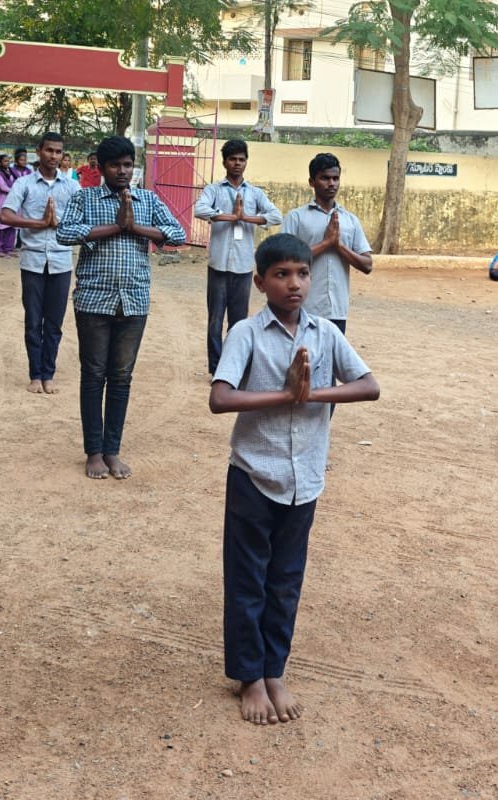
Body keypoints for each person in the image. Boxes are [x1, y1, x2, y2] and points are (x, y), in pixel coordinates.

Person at [209, 233, 379, 725]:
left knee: (285, 581)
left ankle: (275, 669)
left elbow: (369, 386)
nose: (294, 284)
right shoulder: (247, 333)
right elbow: (220, 398)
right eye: (281, 274)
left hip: (305, 478)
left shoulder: (325, 333)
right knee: (248, 581)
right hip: (254, 474)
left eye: (302, 273)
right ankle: (250, 677)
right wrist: (286, 396)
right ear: (260, 281)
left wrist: (315, 392)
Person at [56, 135, 186, 480]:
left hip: (134, 301)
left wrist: (135, 227)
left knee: (121, 378)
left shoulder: (147, 199)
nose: (123, 171)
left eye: (128, 165)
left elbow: (178, 233)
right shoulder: (85, 197)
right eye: (116, 165)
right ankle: (93, 452)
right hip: (93, 301)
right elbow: (64, 233)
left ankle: (112, 450)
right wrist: (115, 227)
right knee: (93, 375)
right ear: (100, 166)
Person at [0, 133, 80, 395]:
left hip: (61, 261)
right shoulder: (24, 183)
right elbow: (6, 214)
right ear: (39, 151)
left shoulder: (71, 187)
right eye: (49, 150)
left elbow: (83, 221)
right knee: (33, 321)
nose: (54, 156)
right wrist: (38, 224)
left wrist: (60, 224)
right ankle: (35, 374)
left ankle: (49, 374)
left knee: (54, 323)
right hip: (32, 261)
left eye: (58, 152)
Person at [194, 139, 283, 375]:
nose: (237, 163)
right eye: (232, 159)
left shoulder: (254, 193)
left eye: (241, 159)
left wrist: (246, 218)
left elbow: (276, 216)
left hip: (243, 268)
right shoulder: (214, 189)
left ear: (246, 162)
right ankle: (216, 369)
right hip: (218, 266)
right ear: (224, 162)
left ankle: (233, 368)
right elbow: (199, 209)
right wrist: (227, 216)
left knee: (239, 323)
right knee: (215, 322)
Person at [280, 153, 374, 334]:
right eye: (324, 178)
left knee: (332, 362)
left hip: (337, 310)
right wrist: (325, 244)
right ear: (311, 182)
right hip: (303, 308)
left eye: (335, 178)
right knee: (303, 360)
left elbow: (367, 265)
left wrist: (339, 246)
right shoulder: (297, 218)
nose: (332, 184)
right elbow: (283, 261)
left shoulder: (350, 220)